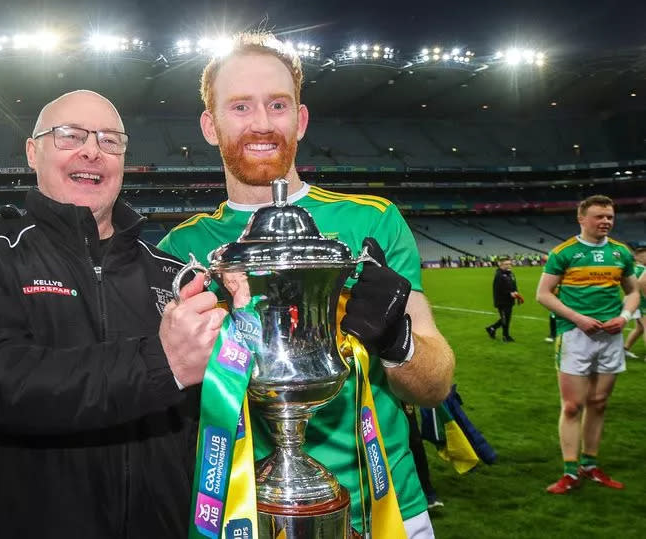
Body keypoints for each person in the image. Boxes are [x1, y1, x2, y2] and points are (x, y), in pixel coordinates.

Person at [157, 31, 455, 538]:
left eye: (278, 104)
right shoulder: (180, 248)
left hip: (384, 510)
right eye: (240, 106)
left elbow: (436, 384)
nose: (262, 124)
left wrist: (397, 344)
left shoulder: (372, 224)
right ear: (210, 125)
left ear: (301, 118)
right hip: (237, 514)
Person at [0, 90, 230, 538]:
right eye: (69, 136)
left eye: (109, 140)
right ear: (33, 151)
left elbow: (210, 421)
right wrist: (161, 363)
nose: (92, 150)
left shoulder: (172, 275)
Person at [536, 195, 640, 494]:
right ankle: (570, 471)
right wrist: (578, 318)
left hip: (611, 336)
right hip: (574, 336)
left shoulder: (621, 253)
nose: (606, 221)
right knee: (571, 406)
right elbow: (543, 294)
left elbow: (633, 292)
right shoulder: (564, 252)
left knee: (599, 403)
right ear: (581, 219)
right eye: (599, 216)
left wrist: (625, 315)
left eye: (609, 216)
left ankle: (591, 465)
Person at [485, 256, 523, 342]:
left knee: (506, 318)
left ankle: (491, 328)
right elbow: (499, 289)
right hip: (502, 301)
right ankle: (505, 336)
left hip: (510, 300)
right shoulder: (499, 275)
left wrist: (516, 292)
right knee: (505, 319)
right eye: (506, 264)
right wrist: (510, 293)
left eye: (509, 264)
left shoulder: (511, 273)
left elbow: (514, 284)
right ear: (500, 265)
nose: (509, 265)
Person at [623, 247, 646, 359]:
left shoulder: (635, 270)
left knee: (640, 328)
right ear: (637, 257)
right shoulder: (641, 270)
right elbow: (641, 283)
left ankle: (625, 349)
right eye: (643, 255)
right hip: (642, 302)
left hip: (637, 302)